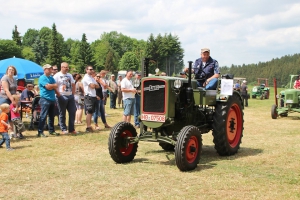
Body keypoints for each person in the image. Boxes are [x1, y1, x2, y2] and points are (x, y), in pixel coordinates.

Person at [53, 62, 78, 135]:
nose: (67, 68)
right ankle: (63, 129)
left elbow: (73, 84)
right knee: (62, 113)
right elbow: (55, 86)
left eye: (68, 67)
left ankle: (71, 129)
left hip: (70, 96)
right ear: (62, 67)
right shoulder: (57, 76)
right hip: (62, 95)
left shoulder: (69, 75)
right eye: (66, 67)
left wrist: (73, 94)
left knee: (73, 111)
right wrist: (59, 95)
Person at [38, 64, 60, 137]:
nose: (51, 70)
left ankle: (51, 130)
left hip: (52, 99)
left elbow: (56, 85)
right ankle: (40, 132)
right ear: (45, 70)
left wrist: (52, 86)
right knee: (43, 116)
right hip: (45, 99)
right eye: (49, 69)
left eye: (51, 69)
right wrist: (52, 86)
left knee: (51, 116)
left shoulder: (51, 77)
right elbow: (48, 87)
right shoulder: (42, 78)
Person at [0, 66, 18, 136]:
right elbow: (6, 90)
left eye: (12, 70)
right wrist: (12, 100)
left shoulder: (14, 79)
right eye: (10, 69)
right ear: (7, 70)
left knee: (11, 116)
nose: (11, 71)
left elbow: (15, 90)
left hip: (12, 98)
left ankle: (12, 132)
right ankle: (3, 132)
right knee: (3, 116)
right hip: (5, 98)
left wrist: (16, 99)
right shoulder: (5, 78)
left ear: (14, 71)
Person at [82, 66, 99, 133]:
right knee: (89, 112)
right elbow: (92, 86)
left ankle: (89, 126)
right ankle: (88, 127)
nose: (92, 70)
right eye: (90, 69)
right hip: (89, 96)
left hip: (93, 96)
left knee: (91, 112)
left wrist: (94, 84)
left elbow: (97, 86)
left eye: (92, 69)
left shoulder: (91, 78)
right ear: (86, 70)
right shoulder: (86, 78)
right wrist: (94, 84)